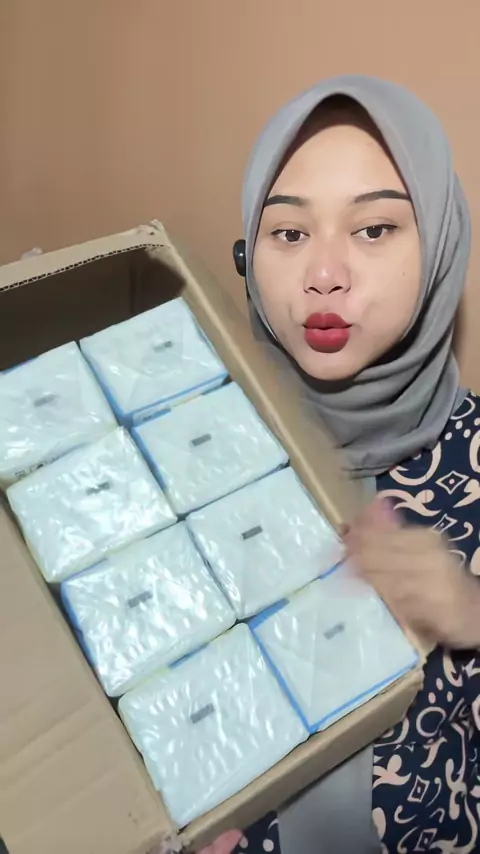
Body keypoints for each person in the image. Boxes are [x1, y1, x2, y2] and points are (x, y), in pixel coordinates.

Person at [200, 75, 480, 854]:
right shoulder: (195, 448)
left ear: (441, 248)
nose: (324, 273)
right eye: (289, 233)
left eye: (374, 228)